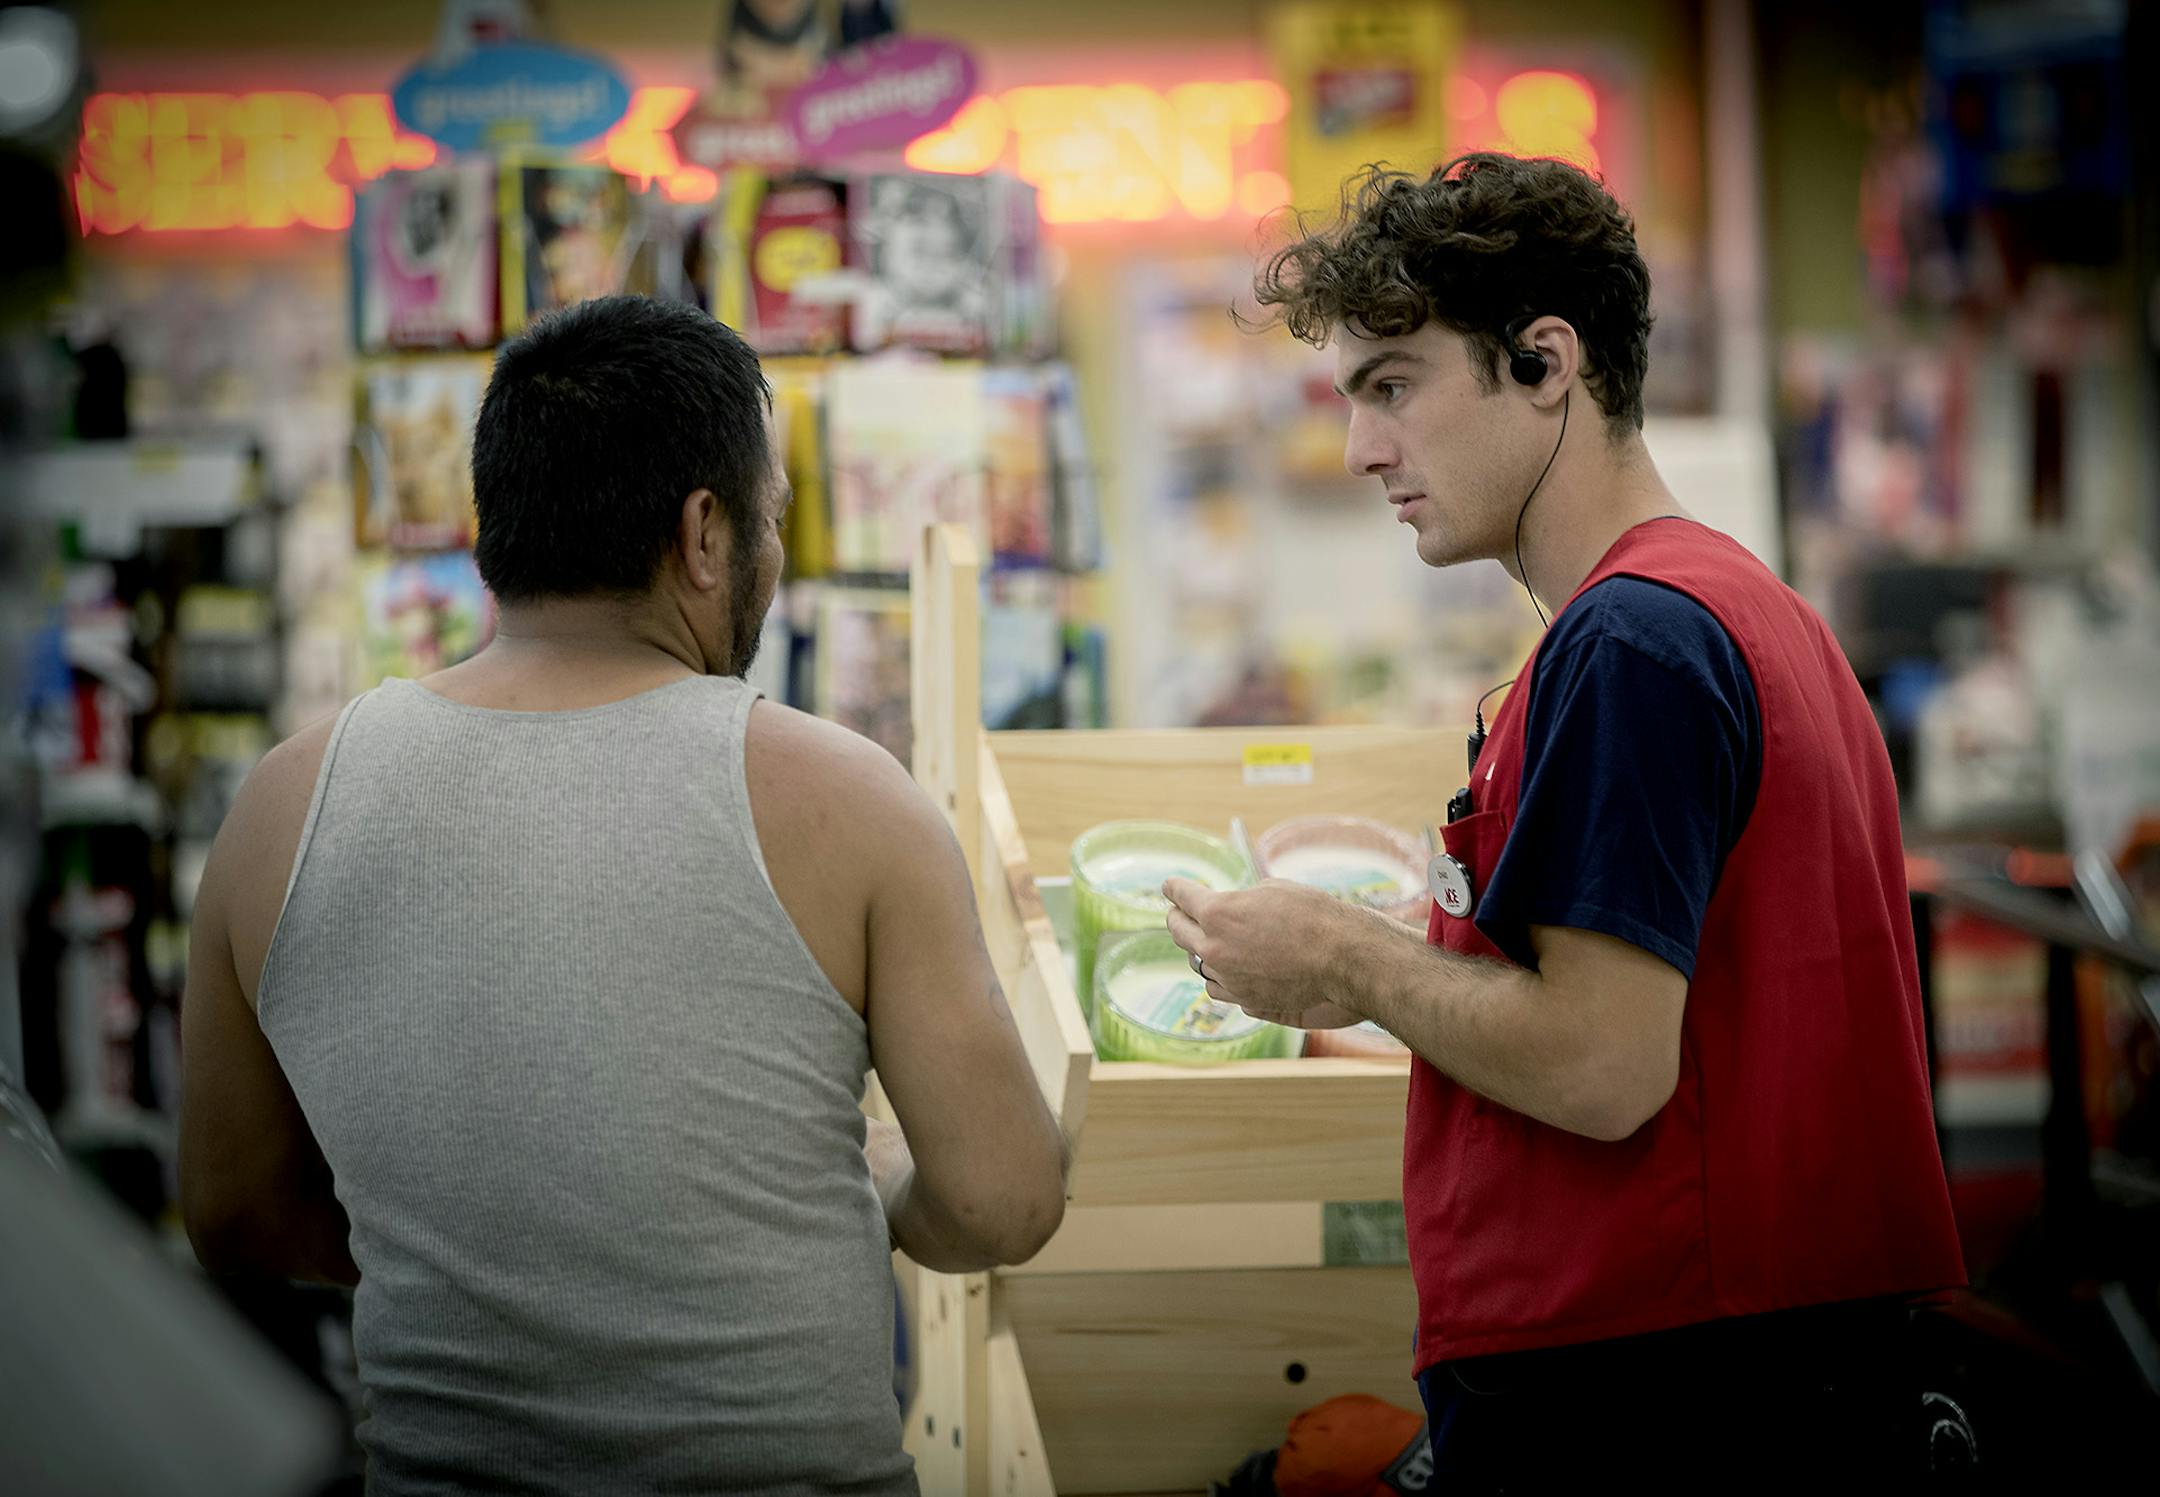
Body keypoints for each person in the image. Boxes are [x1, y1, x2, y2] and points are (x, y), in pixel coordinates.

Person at [179, 295, 1068, 1495]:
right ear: (704, 534)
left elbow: (229, 1208)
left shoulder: (283, 805)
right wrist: (882, 1188)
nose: (767, 553)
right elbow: (1006, 1201)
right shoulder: (844, 801)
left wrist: (474, 1255)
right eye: (770, 522)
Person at [1164, 155, 1966, 1483]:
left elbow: (1604, 1064)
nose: (1364, 447)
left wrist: (1346, 963)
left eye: (1393, 385)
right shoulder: (1742, 611)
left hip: (1664, 1396)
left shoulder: (1635, 642)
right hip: (1755, 1368)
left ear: (1545, 364)